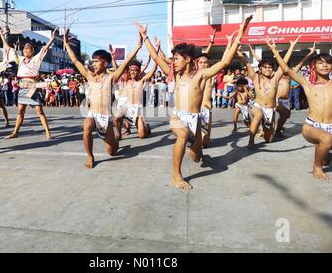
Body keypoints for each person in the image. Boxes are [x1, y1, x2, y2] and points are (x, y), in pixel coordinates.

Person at [135, 15, 253, 190]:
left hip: (195, 119)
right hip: (178, 117)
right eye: (173, 59)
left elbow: (225, 61)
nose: (173, 62)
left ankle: (200, 153)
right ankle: (176, 175)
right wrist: (145, 37)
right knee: (182, 135)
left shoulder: (201, 75)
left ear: (188, 59)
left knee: (196, 157)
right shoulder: (173, 73)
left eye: (176, 59)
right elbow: (156, 58)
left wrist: (241, 31)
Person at [64, 29, 143, 169]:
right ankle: (90, 156)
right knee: (87, 125)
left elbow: (125, 63)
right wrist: (66, 43)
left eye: (96, 61)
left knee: (112, 152)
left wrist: (138, 46)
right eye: (93, 61)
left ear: (105, 64)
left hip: (105, 118)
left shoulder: (111, 78)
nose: (93, 64)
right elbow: (75, 60)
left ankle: (116, 141)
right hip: (92, 114)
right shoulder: (90, 76)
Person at [273, 50, 332, 180]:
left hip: (331, 126)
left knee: (326, 154)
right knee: (327, 140)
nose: (325, 65)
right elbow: (287, 70)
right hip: (311, 127)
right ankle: (317, 167)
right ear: (314, 66)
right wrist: (275, 51)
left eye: (328, 62)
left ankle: (324, 153)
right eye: (320, 63)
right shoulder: (308, 85)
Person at [238, 36, 299, 149]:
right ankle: (251, 141)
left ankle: (265, 128)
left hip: (270, 109)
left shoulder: (275, 78)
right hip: (257, 106)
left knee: (269, 140)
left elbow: (284, 63)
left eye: (270, 67)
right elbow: (246, 63)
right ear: (260, 69)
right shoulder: (255, 77)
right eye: (265, 67)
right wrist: (238, 51)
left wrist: (290, 47)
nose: (267, 69)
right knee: (258, 115)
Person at [5, 30, 57, 140]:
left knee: (39, 111)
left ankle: (48, 132)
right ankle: (15, 132)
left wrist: (52, 38)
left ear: (32, 51)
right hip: (23, 86)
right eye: (24, 49)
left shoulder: (36, 59)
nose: (26, 50)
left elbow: (45, 48)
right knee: (20, 111)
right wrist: (2, 36)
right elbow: (8, 49)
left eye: (28, 49)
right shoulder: (21, 59)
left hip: (33, 87)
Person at [275, 44, 316, 137]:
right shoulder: (277, 75)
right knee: (283, 114)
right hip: (276, 99)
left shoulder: (290, 74)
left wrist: (310, 53)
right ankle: (277, 130)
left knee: (286, 115)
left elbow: (301, 63)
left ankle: (279, 126)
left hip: (285, 100)